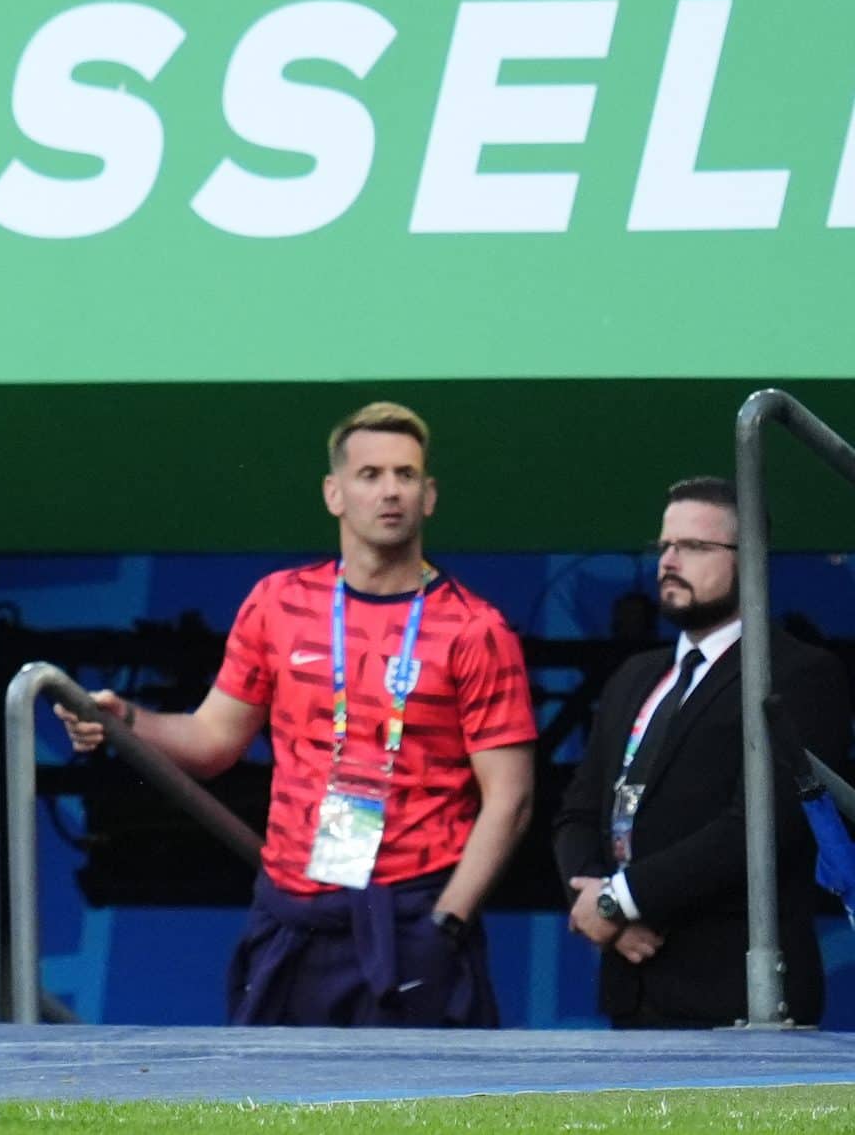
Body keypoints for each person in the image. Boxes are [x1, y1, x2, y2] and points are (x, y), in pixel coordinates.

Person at [58, 402, 536, 1027]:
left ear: (430, 495)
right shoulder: (278, 602)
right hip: (292, 914)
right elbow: (212, 741)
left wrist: (447, 921)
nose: (390, 491)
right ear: (334, 493)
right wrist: (128, 721)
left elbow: (512, 797)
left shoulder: (476, 628)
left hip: (412, 916)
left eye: (406, 475)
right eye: (369, 475)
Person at [552, 477, 852, 1028]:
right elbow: (576, 812)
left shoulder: (801, 674)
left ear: (752, 559)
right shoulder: (634, 676)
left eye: (693, 547)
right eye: (664, 545)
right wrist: (602, 904)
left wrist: (619, 900)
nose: (669, 560)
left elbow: (760, 826)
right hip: (631, 987)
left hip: (736, 997)